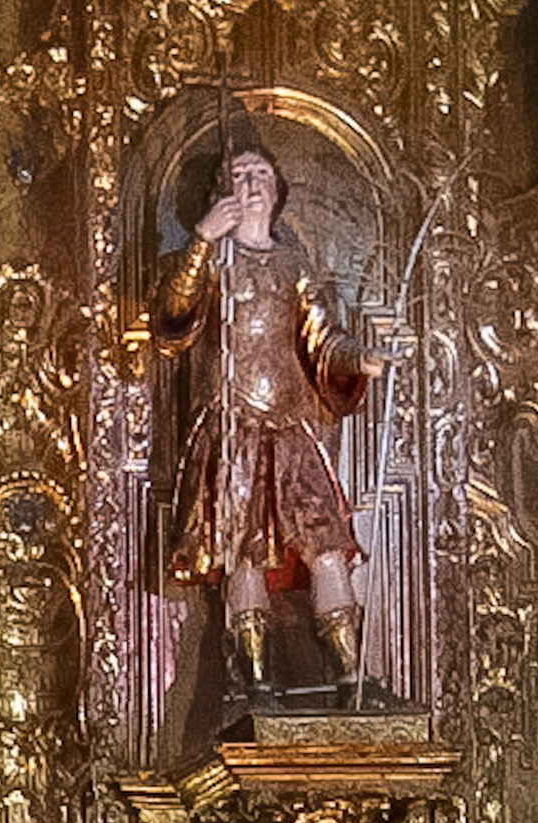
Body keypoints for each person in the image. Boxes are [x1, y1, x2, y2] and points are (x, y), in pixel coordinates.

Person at [147, 134, 373, 701]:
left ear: (277, 190)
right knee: (242, 550)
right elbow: (172, 319)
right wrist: (202, 241)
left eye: (262, 175)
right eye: (240, 176)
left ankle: (351, 673)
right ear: (222, 191)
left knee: (327, 545)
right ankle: (253, 678)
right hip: (231, 428)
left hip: (291, 428)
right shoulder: (211, 260)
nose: (252, 185)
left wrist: (358, 360)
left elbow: (324, 340)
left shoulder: (295, 263)